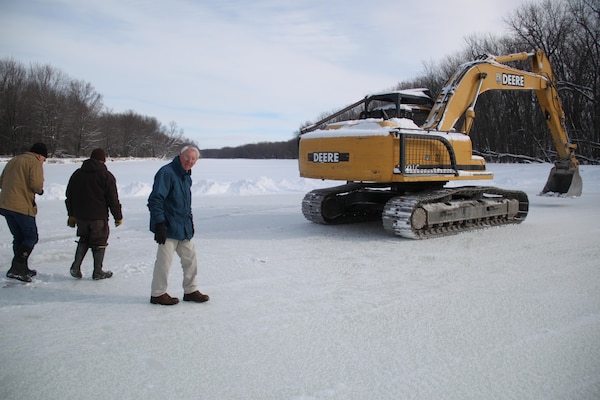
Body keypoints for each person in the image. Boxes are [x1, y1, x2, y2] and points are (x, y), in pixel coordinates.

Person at [147, 145, 209, 305]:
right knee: (164, 262)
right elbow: (155, 200)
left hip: (183, 228)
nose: (190, 161)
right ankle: (158, 293)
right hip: (167, 227)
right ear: (180, 156)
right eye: (187, 157)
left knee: (191, 260)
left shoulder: (186, 176)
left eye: (193, 159)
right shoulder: (166, 173)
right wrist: (159, 223)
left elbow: (185, 204)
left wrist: (190, 222)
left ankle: (191, 291)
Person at [65, 148, 122, 280]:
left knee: (84, 239)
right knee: (100, 242)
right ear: (103, 160)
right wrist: (117, 216)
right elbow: (112, 199)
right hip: (98, 217)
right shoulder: (106, 176)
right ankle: (98, 271)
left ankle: (76, 266)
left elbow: (69, 196)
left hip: (81, 217)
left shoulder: (77, 174)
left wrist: (71, 215)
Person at [0, 142, 47, 282]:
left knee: (19, 237)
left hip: (5, 205)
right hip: (21, 206)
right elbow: (36, 185)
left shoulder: (14, 160)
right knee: (31, 237)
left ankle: (22, 268)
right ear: (39, 155)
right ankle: (17, 268)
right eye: (44, 159)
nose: (43, 162)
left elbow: (1, 181)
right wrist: (40, 190)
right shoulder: (34, 163)